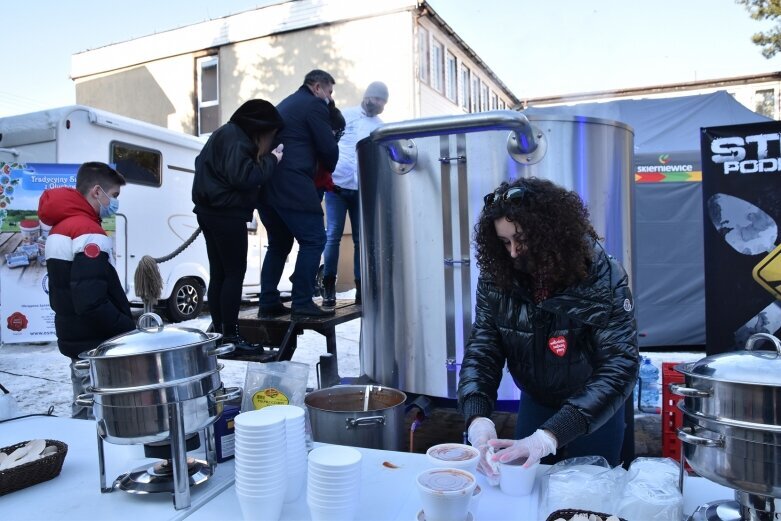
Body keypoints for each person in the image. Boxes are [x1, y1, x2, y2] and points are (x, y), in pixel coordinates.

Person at [457, 177, 639, 480]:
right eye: (504, 242)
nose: (513, 253)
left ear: (551, 235)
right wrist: (477, 416)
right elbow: (484, 347)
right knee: (527, 484)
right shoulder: (498, 276)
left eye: (522, 240)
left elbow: (620, 365)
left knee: (591, 494)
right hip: (537, 398)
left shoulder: (603, 276)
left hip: (596, 407)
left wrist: (551, 436)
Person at [38, 162, 136, 419]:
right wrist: (126, 327)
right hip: (96, 342)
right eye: (113, 195)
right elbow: (90, 300)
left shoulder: (62, 227)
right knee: (101, 416)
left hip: (76, 337)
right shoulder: (88, 231)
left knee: (83, 407)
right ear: (96, 191)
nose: (114, 202)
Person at [193, 99, 284, 350]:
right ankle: (231, 337)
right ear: (261, 128)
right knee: (234, 273)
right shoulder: (238, 138)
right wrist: (272, 160)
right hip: (226, 213)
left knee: (220, 274)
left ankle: (220, 331)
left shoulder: (221, 134)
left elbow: (200, 164)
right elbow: (245, 176)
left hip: (209, 211)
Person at [257, 69, 339, 318]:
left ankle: (268, 301)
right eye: (329, 92)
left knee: (279, 243)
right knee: (314, 239)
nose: (329, 98)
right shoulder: (314, 105)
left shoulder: (286, 104)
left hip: (268, 185)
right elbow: (328, 148)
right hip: (292, 185)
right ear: (316, 87)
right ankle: (302, 300)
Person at [321, 81, 389, 307]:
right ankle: (329, 284)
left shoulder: (380, 127)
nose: (377, 103)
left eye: (382, 101)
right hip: (337, 186)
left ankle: (361, 287)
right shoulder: (346, 115)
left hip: (362, 189)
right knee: (333, 236)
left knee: (362, 240)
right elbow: (328, 140)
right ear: (367, 96)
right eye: (375, 98)